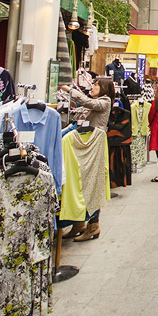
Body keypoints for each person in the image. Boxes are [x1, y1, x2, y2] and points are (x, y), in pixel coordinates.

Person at [60, 77, 115, 242]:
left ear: (104, 87)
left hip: (95, 146)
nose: (93, 87)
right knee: (81, 182)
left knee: (93, 184)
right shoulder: (97, 100)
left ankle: (93, 225)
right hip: (86, 144)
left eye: (96, 85)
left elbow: (89, 103)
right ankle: (79, 223)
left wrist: (70, 90)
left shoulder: (105, 101)